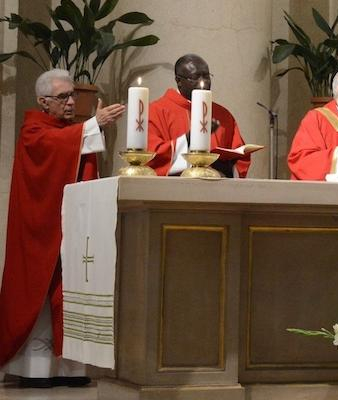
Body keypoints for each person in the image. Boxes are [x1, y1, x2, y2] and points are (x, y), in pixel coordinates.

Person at [0, 69, 125, 388]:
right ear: (43, 101)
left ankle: (70, 368)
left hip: (69, 227)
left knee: (69, 291)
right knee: (40, 295)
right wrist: (92, 125)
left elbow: (71, 149)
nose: (71, 102)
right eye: (63, 97)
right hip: (40, 231)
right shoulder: (33, 130)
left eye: (73, 96)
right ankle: (35, 369)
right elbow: (54, 148)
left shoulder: (64, 131)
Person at [148, 54, 251, 178]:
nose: (204, 82)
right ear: (179, 81)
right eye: (195, 77)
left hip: (217, 191)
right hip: (173, 190)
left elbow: (240, 157)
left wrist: (227, 166)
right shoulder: (156, 111)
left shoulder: (223, 114)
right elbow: (152, 156)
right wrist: (189, 138)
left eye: (206, 76)